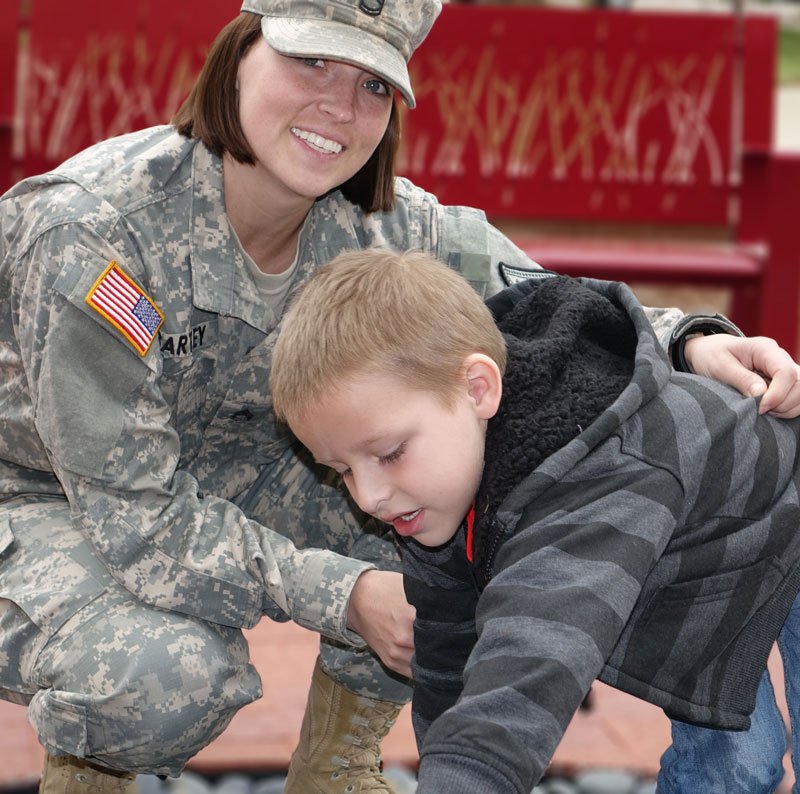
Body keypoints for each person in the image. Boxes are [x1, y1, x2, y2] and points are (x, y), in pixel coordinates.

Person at [1, 1, 799, 793]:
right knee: (162, 676)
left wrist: (689, 341)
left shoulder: (383, 224)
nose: (340, 107)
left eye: (374, 86)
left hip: (223, 473)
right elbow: (136, 515)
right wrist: (348, 597)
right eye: (309, 61)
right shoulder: (97, 233)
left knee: (440, 489)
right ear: (239, 52)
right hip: (45, 501)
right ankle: (92, 768)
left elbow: (543, 308)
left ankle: (336, 769)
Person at [269, 248, 800, 794]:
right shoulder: (438, 488)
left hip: (783, 508)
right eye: (342, 471)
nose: (371, 497)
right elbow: (450, 654)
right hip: (713, 555)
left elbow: (530, 663)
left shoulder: (588, 480)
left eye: (389, 453)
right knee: (737, 765)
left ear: (478, 389)